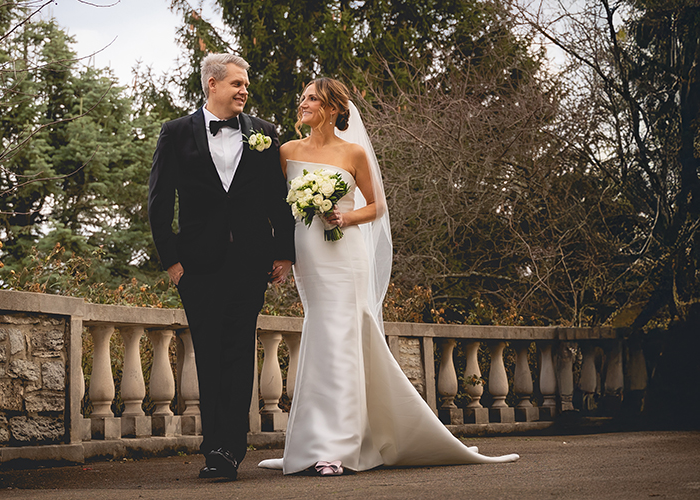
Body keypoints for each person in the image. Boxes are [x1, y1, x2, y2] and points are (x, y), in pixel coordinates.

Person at [258, 77, 519, 476]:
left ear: (331, 109)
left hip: (345, 254)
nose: (303, 103)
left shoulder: (354, 153)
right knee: (321, 336)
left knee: (344, 338)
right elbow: (279, 208)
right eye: (303, 98)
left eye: (311, 98)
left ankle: (339, 448)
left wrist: (344, 215)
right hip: (309, 255)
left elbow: (377, 206)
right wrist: (280, 255)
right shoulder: (287, 151)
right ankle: (310, 442)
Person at [148, 53, 296, 481]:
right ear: (212, 84)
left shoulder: (264, 134)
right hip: (198, 265)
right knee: (209, 355)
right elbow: (160, 202)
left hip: (251, 263)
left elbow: (277, 198)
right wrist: (172, 261)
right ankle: (214, 447)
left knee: (237, 353)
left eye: (246, 84)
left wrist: (284, 252)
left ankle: (230, 449)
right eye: (236, 83)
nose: (244, 90)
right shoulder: (175, 133)